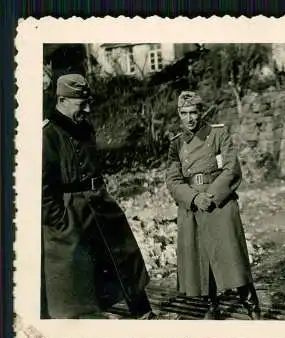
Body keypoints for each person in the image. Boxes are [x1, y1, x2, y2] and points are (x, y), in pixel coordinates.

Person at [41, 74, 156, 319]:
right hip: (70, 212)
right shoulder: (47, 135)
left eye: (88, 102)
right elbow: (42, 188)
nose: (88, 109)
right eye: (81, 104)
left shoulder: (84, 127)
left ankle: (144, 312)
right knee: (76, 274)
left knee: (123, 255)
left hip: (99, 202)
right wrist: (59, 221)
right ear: (62, 99)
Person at [166, 91, 261, 320]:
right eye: (184, 113)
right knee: (202, 257)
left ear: (201, 112)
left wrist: (210, 195)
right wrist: (193, 198)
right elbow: (173, 179)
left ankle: (252, 306)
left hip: (219, 201)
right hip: (193, 205)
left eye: (193, 112)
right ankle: (212, 305)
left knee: (232, 255)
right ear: (179, 114)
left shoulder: (218, 134)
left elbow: (231, 169)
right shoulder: (177, 143)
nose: (189, 118)